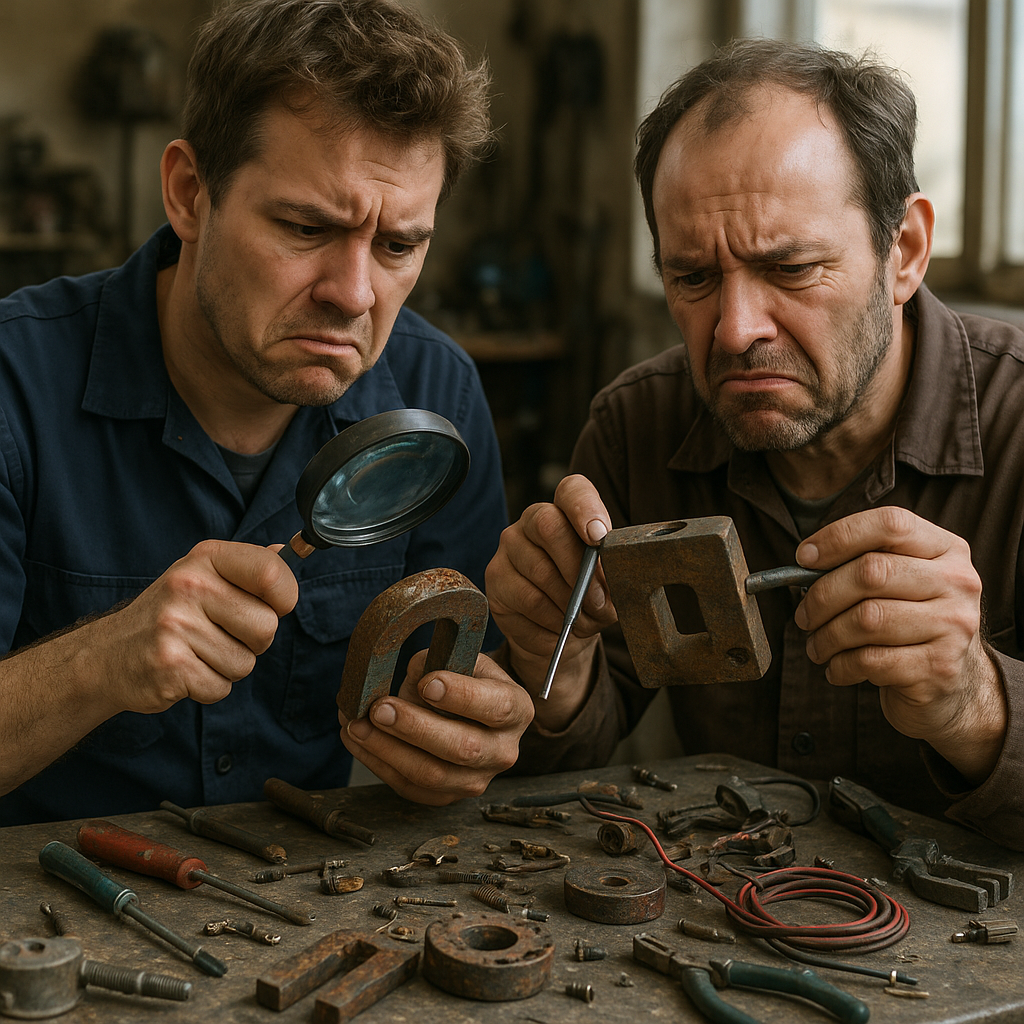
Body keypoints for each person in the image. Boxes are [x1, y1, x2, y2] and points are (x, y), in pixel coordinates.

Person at [0, 0, 534, 826]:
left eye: (398, 247)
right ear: (188, 194)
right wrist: (99, 663)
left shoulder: (439, 395)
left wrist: (466, 740)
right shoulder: (14, 386)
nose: (354, 296)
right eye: (305, 227)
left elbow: (459, 693)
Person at [487, 38, 1024, 850]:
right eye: (694, 278)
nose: (736, 332)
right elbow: (582, 747)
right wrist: (554, 670)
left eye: (792, 268)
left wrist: (973, 704)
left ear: (904, 251)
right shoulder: (637, 429)